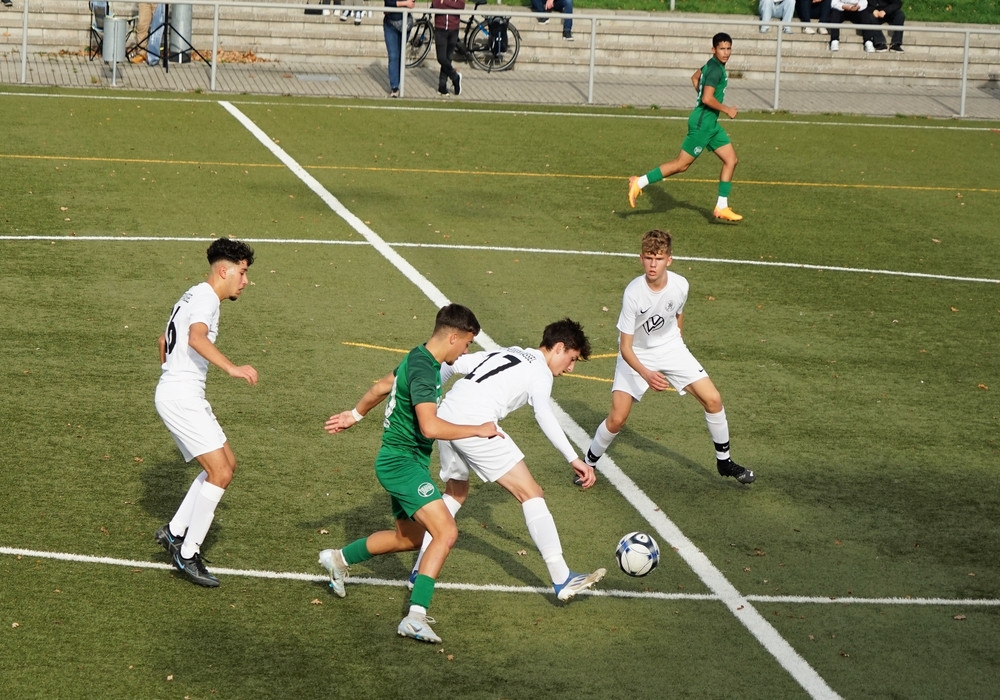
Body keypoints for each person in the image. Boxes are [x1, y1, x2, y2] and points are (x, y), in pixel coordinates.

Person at [319, 304, 502, 644]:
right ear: (453, 337)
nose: (466, 351)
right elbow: (430, 427)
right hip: (401, 463)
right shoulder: (423, 370)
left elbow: (381, 387)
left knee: (411, 538)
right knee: (446, 531)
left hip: (406, 462)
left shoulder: (417, 357)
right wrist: (477, 429)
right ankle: (415, 618)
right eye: (467, 343)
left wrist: (354, 416)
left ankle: (338, 559)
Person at [404, 319, 606, 601]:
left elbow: (452, 364)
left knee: (456, 492)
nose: (570, 368)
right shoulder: (541, 372)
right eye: (572, 359)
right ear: (559, 347)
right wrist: (574, 458)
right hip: (475, 424)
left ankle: (419, 571)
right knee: (531, 493)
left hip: (446, 417)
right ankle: (562, 578)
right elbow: (543, 414)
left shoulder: (507, 351)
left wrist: (435, 397)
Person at [583, 230, 755, 486]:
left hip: (671, 348)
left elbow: (678, 312)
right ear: (641, 258)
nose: (653, 264)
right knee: (617, 419)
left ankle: (724, 461)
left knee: (713, 399)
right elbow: (626, 347)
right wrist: (647, 374)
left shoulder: (681, 285)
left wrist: (678, 343)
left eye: (659, 258)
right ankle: (588, 464)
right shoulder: (633, 293)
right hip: (637, 354)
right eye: (649, 257)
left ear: (669, 260)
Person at [153, 238, 258, 588]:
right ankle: (187, 554)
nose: (245, 281)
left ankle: (174, 531)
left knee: (228, 464)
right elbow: (196, 338)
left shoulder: (193, 294)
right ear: (224, 270)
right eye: (242, 272)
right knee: (220, 472)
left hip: (181, 393)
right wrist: (232, 368)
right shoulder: (207, 299)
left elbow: (163, 341)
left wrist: (171, 375)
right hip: (181, 396)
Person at [626, 32, 743, 223]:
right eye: (722, 48)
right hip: (702, 124)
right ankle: (639, 181)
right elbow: (707, 98)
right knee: (681, 165)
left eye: (728, 48)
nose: (726, 52)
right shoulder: (715, 70)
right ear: (713, 49)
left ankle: (721, 206)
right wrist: (726, 109)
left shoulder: (712, 65)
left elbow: (695, 78)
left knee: (731, 160)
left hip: (710, 124)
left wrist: (703, 96)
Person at [383, 0, 416, 97]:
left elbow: (412, 3)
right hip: (390, 24)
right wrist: (405, 3)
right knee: (393, 55)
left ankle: (398, 82)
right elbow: (388, 2)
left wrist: (406, 4)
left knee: (400, 55)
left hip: (405, 23)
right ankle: (394, 87)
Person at [431, 0, 464, 96]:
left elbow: (461, 5)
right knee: (441, 58)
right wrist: (451, 6)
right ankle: (455, 77)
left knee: (448, 58)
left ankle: (442, 86)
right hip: (440, 28)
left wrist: (444, 2)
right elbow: (436, 4)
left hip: (454, 29)